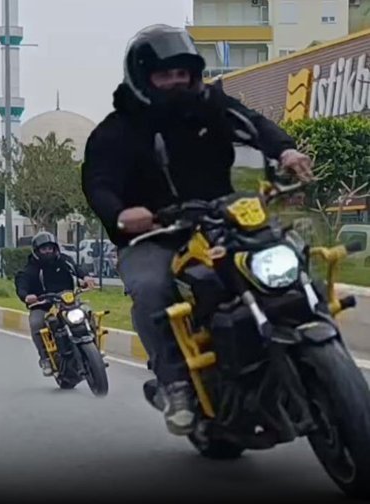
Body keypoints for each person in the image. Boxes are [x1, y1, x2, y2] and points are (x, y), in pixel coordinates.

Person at [81, 24, 314, 436]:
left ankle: (309, 329)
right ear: (143, 78)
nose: (175, 82)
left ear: (193, 74)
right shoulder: (117, 131)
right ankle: (176, 386)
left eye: (182, 74)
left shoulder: (211, 106)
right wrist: (121, 214)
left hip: (222, 218)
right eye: (163, 75)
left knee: (288, 254)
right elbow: (99, 182)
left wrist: (286, 149)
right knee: (151, 289)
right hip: (154, 234)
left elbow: (253, 123)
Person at [14, 231, 96, 376]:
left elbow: (77, 269)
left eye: (50, 248)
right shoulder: (31, 269)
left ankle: (94, 348)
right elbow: (22, 284)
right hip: (43, 304)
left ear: (55, 248)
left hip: (67, 302)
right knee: (36, 323)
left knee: (88, 312)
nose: (48, 252)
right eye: (44, 249)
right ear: (37, 251)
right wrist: (27, 296)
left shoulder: (64, 260)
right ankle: (45, 358)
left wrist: (86, 278)